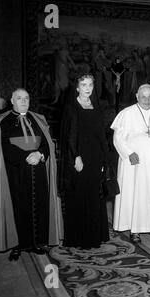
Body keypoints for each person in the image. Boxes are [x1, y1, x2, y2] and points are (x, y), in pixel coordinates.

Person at [0, 88, 63, 261]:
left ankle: (37, 242)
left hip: (39, 169)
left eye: (26, 98)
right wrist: (26, 156)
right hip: (16, 171)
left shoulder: (38, 119)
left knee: (40, 204)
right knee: (18, 207)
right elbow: (3, 146)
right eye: (19, 98)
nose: (23, 101)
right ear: (12, 100)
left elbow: (47, 142)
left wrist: (40, 154)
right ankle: (18, 245)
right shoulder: (2, 121)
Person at [111, 84, 150, 243]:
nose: (147, 100)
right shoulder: (126, 114)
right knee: (137, 196)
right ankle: (135, 229)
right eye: (143, 96)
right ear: (137, 96)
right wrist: (129, 153)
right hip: (135, 165)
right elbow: (118, 138)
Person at [59, 74, 110, 249]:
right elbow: (69, 136)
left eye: (90, 85)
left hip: (95, 157)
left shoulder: (96, 107)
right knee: (79, 194)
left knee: (95, 195)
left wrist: (105, 158)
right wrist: (76, 156)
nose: (87, 88)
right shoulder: (71, 107)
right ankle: (80, 237)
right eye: (84, 84)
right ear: (77, 87)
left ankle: (96, 235)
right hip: (79, 158)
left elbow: (101, 135)